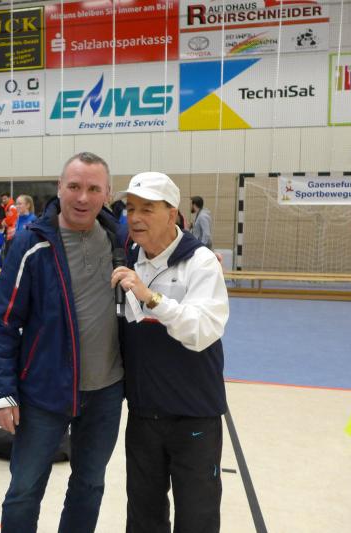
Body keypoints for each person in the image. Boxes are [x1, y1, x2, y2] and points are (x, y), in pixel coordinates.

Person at [0, 152, 125, 533]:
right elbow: (3, 324)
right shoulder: (32, 243)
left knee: (89, 486)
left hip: (106, 392)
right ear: (59, 187)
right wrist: (3, 391)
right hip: (43, 392)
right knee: (24, 489)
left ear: (107, 193)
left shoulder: (120, 240)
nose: (83, 197)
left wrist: (201, 257)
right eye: (74, 186)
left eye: (93, 189)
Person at [111, 172, 229, 533]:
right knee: (143, 516)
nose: (135, 217)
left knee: (196, 517)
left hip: (193, 415)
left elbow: (202, 331)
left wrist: (151, 298)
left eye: (147, 208)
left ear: (172, 213)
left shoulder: (201, 263)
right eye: (131, 208)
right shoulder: (126, 257)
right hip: (144, 413)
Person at [0, 192, 18, 258]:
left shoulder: (12, 207)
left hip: (11, 233)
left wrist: (5, 221)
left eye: (5, 198)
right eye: (2, 199)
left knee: (8, 251)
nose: (3, 200)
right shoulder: (7, 207)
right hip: (9, 231)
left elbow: (11, 219)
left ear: (9, 198)